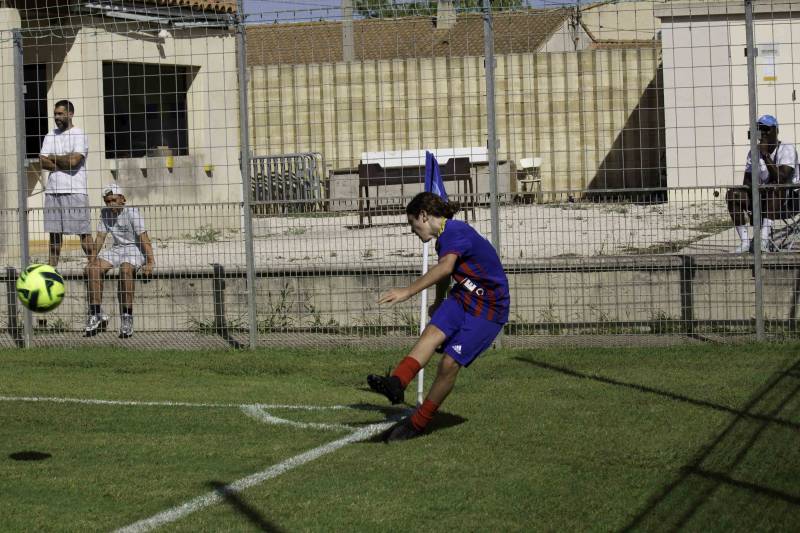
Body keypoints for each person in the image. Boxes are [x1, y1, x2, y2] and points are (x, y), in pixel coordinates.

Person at [367, 192, 510, 441]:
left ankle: (418, 423)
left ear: (423, 215)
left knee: (448, 363)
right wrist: (437, 301)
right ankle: (397, 383)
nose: (413, 230)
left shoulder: (454, 231)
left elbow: (445, 267)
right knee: (431, 333)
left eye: (413, 224)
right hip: (463, 297)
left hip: (488, 308)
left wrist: (407, 291)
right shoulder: (444, 238)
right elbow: (448, 272)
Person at [84, 184, 154, 338]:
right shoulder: (105, 213)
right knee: (93, 268)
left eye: (114, 200)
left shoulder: (132, 213)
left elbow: (144, 238)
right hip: (117, 249)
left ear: (122, 199)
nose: (111, 204)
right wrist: (92, 259)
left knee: (126, 269)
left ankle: (127, 318)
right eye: (107, 201)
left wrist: (150, 262)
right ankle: (96, 313)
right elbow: (101, 237)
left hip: (135, 249)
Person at [726, 114, 800, 253]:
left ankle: (764, 240)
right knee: (732, 194)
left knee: (775, 186)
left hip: (789, 201)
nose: (763, 133)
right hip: (764, 197)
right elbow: (747, 182)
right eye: (759, 129)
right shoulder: (753, 153)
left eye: (766, 129)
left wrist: (765, 155)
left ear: (776, 131)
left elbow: (781, 179)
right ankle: (745, 242)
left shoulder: (787, 148)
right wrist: (759, 190)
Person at [39, 100, 92, 266]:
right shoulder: (50, 135)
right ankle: (51, 269)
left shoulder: (79, 134)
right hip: (53, 191)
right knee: (54, 235)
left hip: (75, 190)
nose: (57, 117)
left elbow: (74, 161)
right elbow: (42, 162)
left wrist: (53, 157)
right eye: (55, 114)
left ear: (70, 114)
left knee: (83, 232)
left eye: (60, 113)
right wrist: (64, 159)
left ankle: (94, 265)